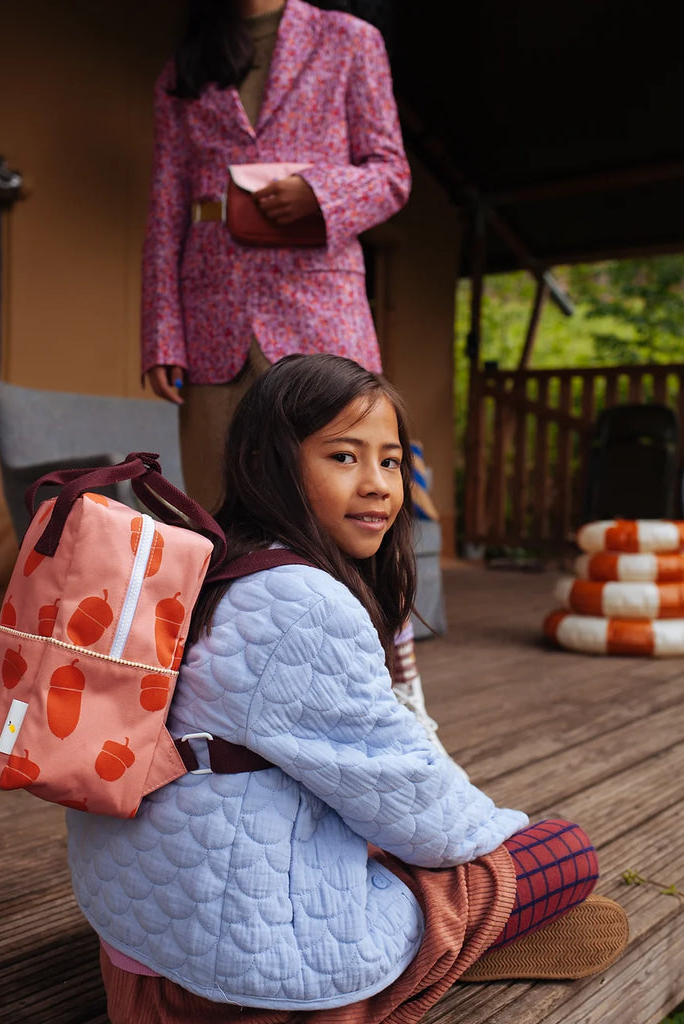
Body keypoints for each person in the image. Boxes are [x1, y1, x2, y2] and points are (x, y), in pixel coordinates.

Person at [67, 354, 628, 1024]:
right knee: (565, 852)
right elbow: (414, 799)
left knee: (367, 825)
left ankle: (445, 935)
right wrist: (502, 838)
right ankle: (445, 946)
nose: (378, 486)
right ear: (265, 461)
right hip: (225, 987)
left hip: (139, 940)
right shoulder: (301, 601)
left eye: (391, 462)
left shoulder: (206, 560)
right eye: (343, 457)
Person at [140, 0, 411, 512]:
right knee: (215, 505)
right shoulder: (185, 66)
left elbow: (392, 174)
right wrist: (161, 333)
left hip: (321, 308)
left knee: (329, 507)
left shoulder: (350, 39)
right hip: (213, 319)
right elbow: (164, 207)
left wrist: (319, 191)